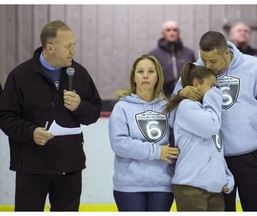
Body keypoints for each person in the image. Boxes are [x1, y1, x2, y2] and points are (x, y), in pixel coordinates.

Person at [174, 31, 257, 211]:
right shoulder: (195, 70)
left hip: (255, 157)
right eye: (204, 59)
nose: (207, 65)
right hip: (216, 161)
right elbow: (174, 108)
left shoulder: (255, 67)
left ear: (226, 53)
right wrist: (180, 94)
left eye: (213, 61)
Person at [0, 20, 102, 211]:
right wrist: (30, 132)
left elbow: (94, 113)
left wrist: (80, 106)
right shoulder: (20, 76)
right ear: (50, 48)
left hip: (70, 168)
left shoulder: (79, 73)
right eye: (68, 46)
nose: (74, 51)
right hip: (31, 167)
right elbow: (5, 117)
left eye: (74, 45)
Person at [108, 54, 179, 211]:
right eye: (140, 71)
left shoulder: (167, 108)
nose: (145, 75)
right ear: (134, 77)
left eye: (151, 71)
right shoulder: (122, 107)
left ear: (157, 77)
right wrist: (157, 151)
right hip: (129, 186)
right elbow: (119, 144)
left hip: (162, 185)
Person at [165, 63, 234, 211]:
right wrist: (214, 97)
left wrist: (225, 176)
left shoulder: (209, 112)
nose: (216, 91)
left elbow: (216, 149)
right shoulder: (186, 107)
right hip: (191, 187)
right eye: (212, 86)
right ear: (196, 84)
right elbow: (210, 128)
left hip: (214, 188)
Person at [149, 20, 196, 98]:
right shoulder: (154, 55)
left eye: (175, 30)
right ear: (163, 34)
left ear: (178, 33)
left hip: (186, 98)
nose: (172, 33)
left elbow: (196, 76)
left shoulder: (189, 53)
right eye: (168, 30)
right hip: (162, 99)